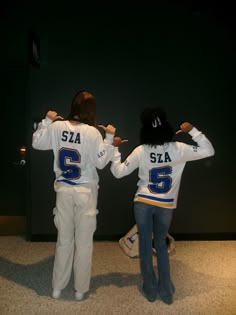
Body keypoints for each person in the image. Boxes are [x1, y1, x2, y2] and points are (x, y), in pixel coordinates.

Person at [110, 107, 215, 304]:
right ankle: (166, 291)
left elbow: (118, 172)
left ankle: (150, 289)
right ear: (166, 127)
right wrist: (193, 130)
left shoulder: (141, 151)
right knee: (160, 245)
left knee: (145, 247)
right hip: (166, 205)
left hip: (142, 202)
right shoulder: (179, 148)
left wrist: (115, 149)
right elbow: (209, 150)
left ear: (145, 130)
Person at [32, 90, 116, 300]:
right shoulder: (92, 132)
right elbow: (101, 162)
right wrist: (110, 138)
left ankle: (57, 288)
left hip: (64, 190)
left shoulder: (58, 127)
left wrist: (46, 121)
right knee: (84, 242)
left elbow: (36, 142)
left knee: (64, 240)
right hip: (85, 192)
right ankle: (79, 290)